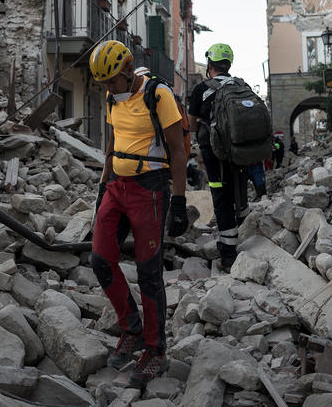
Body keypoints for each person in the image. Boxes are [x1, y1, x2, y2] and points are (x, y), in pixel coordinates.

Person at [89, 40, 188, 388]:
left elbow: (177, 151)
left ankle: (155, 350)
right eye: (103, 84)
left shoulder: (158, 95)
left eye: (112, 81)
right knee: (100, 259)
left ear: (128, 71)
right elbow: (112, 144)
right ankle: (130, 327)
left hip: (150, 188)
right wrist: (103, 187)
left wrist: (178, 201)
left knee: (148, 272)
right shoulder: (111, 97)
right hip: (117, 185)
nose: (108, 88)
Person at [187, 42, 242, 271]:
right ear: (228, 64)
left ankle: (228, 255)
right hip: (240, 151)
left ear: (210, 64)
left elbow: (190, 126)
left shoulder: (202, 89)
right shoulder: (240, 85)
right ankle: (242, 228)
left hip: (214, 154)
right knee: (238, 192)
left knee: (220, 196)